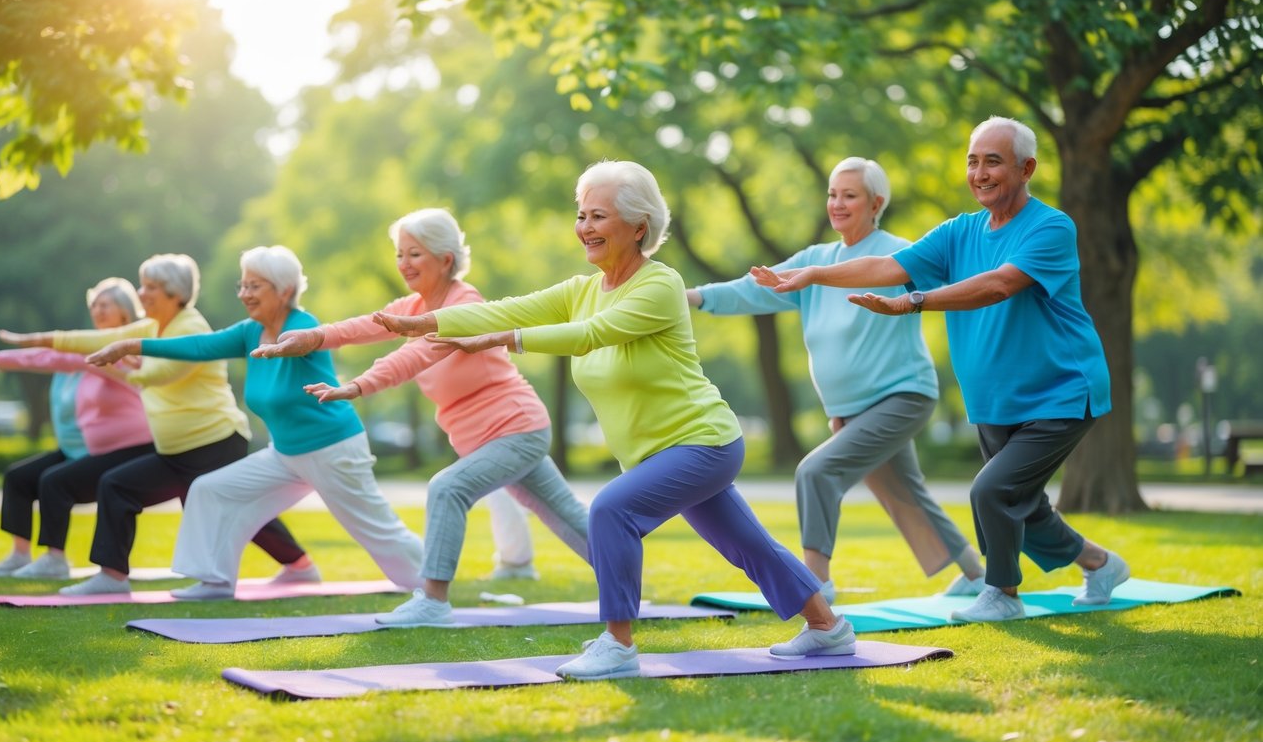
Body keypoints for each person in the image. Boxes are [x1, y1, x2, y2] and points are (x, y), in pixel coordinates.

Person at [374, 162, 852, 680]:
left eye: (598, 216)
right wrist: (421, 321)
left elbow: (591, 334)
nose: (585, 227)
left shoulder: (660, 285)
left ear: (639, 226)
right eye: (581, 215)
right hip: (657, 453)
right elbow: (504, 310)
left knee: (611, 510)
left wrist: (505, 340)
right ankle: (827, 626)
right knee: (747, 545)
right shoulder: (582, 290)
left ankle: (618, 644)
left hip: (702, 442)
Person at [754, 117, 1129, 622]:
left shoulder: (1052, 227)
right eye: (973, 161)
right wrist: (815, 274)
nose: (980, 173)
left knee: (992, 491)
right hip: (995, 398)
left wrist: (914, 301)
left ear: (1026, 169)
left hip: (1060, 390)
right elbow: (888, 265)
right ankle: (1101, 565)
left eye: (993, 161)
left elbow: (998, 285)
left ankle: (1002, 593)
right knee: (1025, 506)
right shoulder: (959, 232)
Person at [252, 210, 589, 622]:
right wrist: (312, 337)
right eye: (400, 254)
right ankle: (627, 582)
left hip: (515, 429)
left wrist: (357, 385)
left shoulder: (465, 304)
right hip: (491, 438)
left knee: (447, 488)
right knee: (570, 519)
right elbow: (365, 326)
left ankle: (432, 601)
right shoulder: (413, 306)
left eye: (415, 254)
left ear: (445, 260)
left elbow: (417, 355)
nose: (404, 263)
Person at [688, 157, 985, 603]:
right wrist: (693, 296)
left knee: (816, 472)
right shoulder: (816, 261)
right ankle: (976, 575)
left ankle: (816, 583)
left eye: (850, 195)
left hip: (902, 396)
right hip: (851, 410)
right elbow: (756, 289)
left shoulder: (899, 254)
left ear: (876, 204)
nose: (837, 204)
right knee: (906, 491)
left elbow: (957, 285)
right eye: (832, 194)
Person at [86, 246, 424, 599]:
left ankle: (430, 585)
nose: (245, 294)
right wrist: (132, 345)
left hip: (332, 450)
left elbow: (304, 341)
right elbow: (201, 346)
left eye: (255, 286)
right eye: (243, 285)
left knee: (376, 529)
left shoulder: (303, 326)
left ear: (285, 291)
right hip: (285, 454)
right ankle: (215, 581)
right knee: (211, 490)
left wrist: (290, 345)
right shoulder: (251, 331)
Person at [0, 254, 315, 595]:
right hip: (175, 450)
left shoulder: (190, 327)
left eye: (150, 287)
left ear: (174, 293)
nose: (141, 293)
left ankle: (299, 566)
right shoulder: (153, 326)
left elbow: (159, 374)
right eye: (142, 285)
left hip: (214, 443)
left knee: (234, 508)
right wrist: (39, 339)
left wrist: (115, 364)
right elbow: (96, 339)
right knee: (117, 486)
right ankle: (112, 577)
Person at [0, 278, 154, 578]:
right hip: (91, 450)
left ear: (125, 311)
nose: (98, 310)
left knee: (54, 482)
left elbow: (56, 355)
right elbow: (50, 358)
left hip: (131, 450)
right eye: (94, 305)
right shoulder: (91, 351)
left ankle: (55, 560)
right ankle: (19, 555)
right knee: (18, 478)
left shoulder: (127, 353)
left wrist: (18, 350)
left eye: (105, 305)